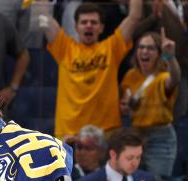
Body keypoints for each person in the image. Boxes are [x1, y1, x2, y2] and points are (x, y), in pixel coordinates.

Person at [42, 0, 144, 139]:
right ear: (76, 27)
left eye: (94, 22)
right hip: (69, 132)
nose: (89, 25)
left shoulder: (112, 48)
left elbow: (135, 17)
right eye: (84, 22)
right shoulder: (64, 48)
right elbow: (43, 17)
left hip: (106, 132)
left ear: (101, 28)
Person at [120, 30, 181, 181]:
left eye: (150, 48)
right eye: (141, 47)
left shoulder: (163, 77)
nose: (144, 51)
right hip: (136, 134)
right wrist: (126, 107)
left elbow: (175, 78)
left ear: (159, 54)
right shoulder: (130, 76)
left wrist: (171, 57)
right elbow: (126, 106)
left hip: (160, 137)